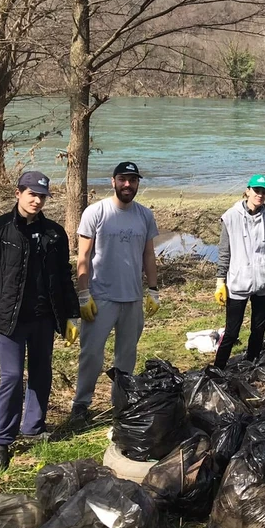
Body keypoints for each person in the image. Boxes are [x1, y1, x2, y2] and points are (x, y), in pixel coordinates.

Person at [0, 171, 80, 473]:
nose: (36, 200)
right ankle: (2, 442)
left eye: (42, 195)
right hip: (10, 319)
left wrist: (72, 315)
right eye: (31, 193)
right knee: (12, 378)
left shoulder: (55, 233)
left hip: (44, 317)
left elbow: (64, 278)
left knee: (42, 372)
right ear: (18, 193)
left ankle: (33, 426)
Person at [70, 161, 160, 428]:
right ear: (113, 181)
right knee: (91, 354)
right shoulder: (96, 212)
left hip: (132, 298)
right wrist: (83, 294)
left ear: (137, 184)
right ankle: (81, 404)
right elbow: (83, 256)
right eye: (122, 179)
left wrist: (153, 289)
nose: (127, 185)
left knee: (126, 355)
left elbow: (148, 255)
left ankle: (120, 403)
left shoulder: (144, 215)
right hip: (101, 297)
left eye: (132, 180)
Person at [213, 174, 265, 369]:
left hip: (264, 283)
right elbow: (224, 252)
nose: (259, 195)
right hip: (238, 282)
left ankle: (251, 363)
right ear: (247, 191)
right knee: (232, 331)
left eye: (264, 191)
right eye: (256, 190)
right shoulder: (230, 217)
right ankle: (217, 368)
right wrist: (220, 281)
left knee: (258, 328)